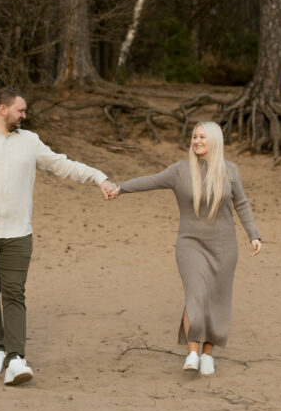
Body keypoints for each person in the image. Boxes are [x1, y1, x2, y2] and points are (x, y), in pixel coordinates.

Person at [0, 87, 116, 386]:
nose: (25, 115)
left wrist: (98, 177)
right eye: (20, 110)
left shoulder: (30, 142)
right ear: (2, 109)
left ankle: (15, 359)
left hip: (18, 233)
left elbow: (62, 165)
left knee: (14, 293)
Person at [109, 121, 262, 375]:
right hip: (190, 244)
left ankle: (208, 356)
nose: (197, 141)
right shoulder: (180, 170)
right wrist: (120, 188)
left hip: (225, 247)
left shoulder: (229, 171)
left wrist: (253, 235)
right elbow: (151, 180)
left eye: (203, 137)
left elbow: (242, 204)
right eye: (194, 137)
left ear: (214, 140)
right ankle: (192, 352)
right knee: (196, 295)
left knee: (218, 301)